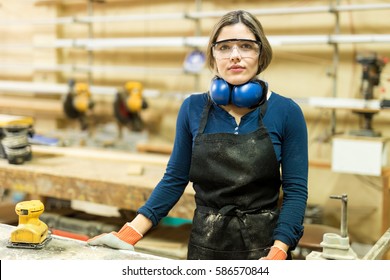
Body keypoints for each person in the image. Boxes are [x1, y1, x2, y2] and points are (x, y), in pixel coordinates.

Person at [87, 10, 308, 260]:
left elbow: (296, 191)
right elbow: (174, 179)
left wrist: (279, 251)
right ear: (213, 56)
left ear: (261, 53)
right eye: (224, 47)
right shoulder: (192, 108)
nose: (235, 55)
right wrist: (129, 233)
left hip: (265, 250)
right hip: (205, 249)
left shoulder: (287, 112)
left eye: (246, 46)